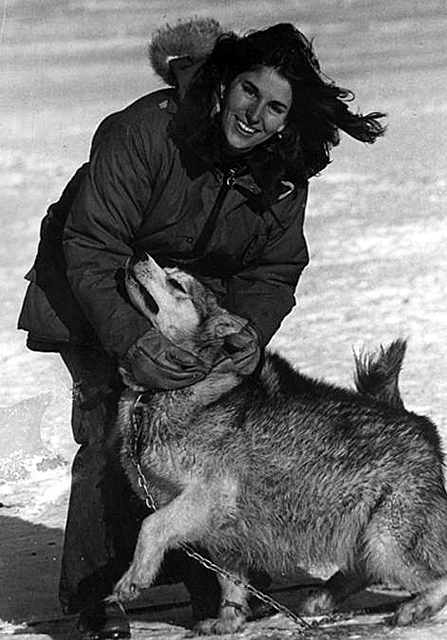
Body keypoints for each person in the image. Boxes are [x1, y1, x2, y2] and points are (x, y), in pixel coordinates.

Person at [18, 17, 386, 640]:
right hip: (94, 289)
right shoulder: (145, 132)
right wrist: (133, 342)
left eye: (276, 108)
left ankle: (210, 577)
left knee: (219, 438)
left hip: (187, 305)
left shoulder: (283, 165)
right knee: (115, 428)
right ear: (224, 84)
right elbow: (90, 243)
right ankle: (99, 597)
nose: (256, 116)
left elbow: (274, 265)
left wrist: (245, 331)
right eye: (250, 92)